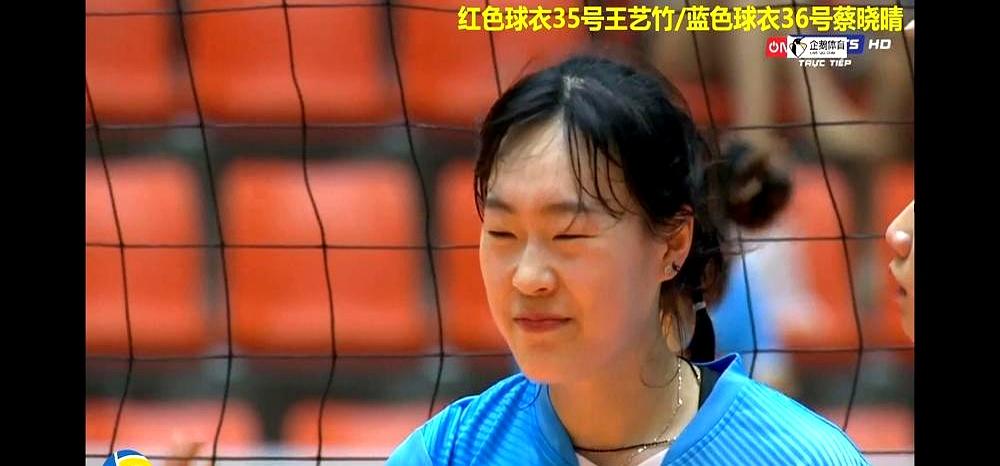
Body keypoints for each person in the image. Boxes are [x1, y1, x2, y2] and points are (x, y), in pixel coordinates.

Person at [386, 54, 868, 466]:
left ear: (673, 245)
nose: (528, 277)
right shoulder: (448, 453)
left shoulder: (800, 456)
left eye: (569, 234)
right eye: (502, 232)